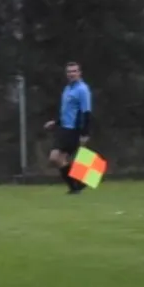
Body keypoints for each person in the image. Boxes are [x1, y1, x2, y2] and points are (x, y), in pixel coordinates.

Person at [44, 61, 92, 194]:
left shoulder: (82, 89)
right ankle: (76, 186)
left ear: (79, 73)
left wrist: (85, 133)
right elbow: (67, 111)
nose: (71, 74)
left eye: (74, 71)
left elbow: (86, 112)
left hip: (72, 130)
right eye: (69, 72)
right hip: (63, 128)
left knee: (55, 158)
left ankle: (76, 185)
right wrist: (56, 122)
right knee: (58, 159)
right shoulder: (67, 89)